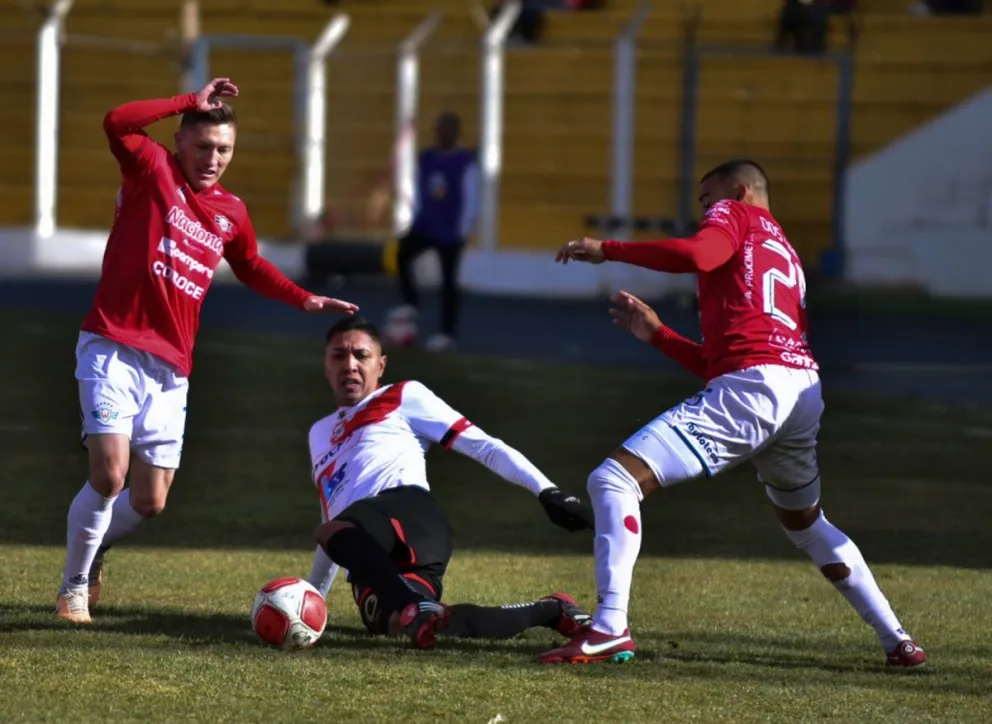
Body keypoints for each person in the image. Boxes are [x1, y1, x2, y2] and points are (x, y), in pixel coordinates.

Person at [538, 159, 927, 668]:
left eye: (708, 199)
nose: (704, 210)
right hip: (800, 389)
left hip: (758, 387)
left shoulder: (735, 217)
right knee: (807, 523)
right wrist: (659, 335)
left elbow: (701, 255)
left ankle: (610, 626)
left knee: (613, 480)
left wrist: (607, 249)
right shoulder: (784, 251)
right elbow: (732, 359)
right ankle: (898, 640)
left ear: (740, 191)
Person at [57, 78, 359, 623]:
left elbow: (249, 266)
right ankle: (73, 588)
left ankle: (96, 543)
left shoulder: (230, 212)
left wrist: (302, 298)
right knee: (109, 473)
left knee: (150, 501)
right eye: (204, 146)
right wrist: (185, 99)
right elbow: (117, 120)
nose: (214, 158)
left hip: (173, 367)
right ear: (179, 141)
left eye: (224, 150)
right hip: (114, 345)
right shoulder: (151, 170)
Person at [306, 316, 595, 648]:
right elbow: (332, 520)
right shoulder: (319, 434)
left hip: (408, 513)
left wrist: (546, 490)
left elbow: (484, 445)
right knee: (415, 626)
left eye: (362, 355)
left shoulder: (403, 396)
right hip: (368, 555)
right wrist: (313, 600)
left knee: (336, 534)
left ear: (381, 365)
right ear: (325, 366)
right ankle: (549, 611)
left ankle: (414, 606)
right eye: (339, 356)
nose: (350, 365)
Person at [387, 111, 479, 353]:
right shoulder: (427, 158)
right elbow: (419, 188)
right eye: (438, 128)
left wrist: (464, 228)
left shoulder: (464, 162)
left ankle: (446, 334)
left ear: (455, 132)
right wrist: (416, 215)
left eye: (445, 129)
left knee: (449, 283)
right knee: (403, 252)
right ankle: (411, 302)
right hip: (426, 225)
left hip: (450, 230)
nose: (440, 133)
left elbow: (471, 197)